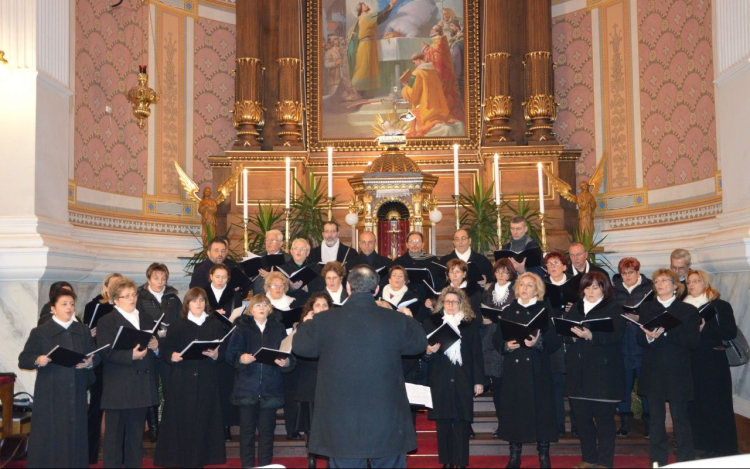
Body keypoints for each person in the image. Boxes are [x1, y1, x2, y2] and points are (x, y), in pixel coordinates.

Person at [293, 265, 428, 468]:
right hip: (387, 420)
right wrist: (410, 319)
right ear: (376, 290)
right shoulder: (396, 320)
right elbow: (420, 344)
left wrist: (307, 324)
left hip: (341, 421)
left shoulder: (323, 320)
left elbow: (301, 347)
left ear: (348, 287)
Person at [19, 288, 98, 468]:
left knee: (75, 435)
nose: (69, 307)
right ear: (53, 308)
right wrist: (37, 360)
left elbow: (95, 356)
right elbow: (24, 359)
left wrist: (89, 363)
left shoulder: (82, 330)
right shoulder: (40, 332)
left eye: (71, 304)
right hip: (51, 393)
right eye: (64, 304)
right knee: (53, 436)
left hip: (76, 391)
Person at [493, 272, 561, 469]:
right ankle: (515, 455)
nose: (524, 288)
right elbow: (497, 339)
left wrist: (538, 342)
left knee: (542, 411)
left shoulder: (545, 310)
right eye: (522, 284)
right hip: (514, 370)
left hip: (538, 368)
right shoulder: (508, 310)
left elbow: (555, 342)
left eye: (530, 285)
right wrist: (506, 346)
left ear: (537, 290)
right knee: (515, 410)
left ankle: (544, 454)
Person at [154, 287, 227, 468]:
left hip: (206, 379)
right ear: (187, 304)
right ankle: (182, 460)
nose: (199, 304)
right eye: (195, 301)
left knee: (204, 420)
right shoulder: (178, 324)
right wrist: (172, 355)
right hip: (182, 380)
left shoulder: (214, 324)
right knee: (182, 422)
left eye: (202, 301)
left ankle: (201, 459)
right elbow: (167, 350)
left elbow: (222, 351)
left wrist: (216, 355)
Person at [637, 269, 700, 467]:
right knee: (656, 421)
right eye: (656, 281)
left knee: (680, 420)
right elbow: (640, 338)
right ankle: (658, 462)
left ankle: (686, 461)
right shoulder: (647, 308)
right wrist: (648, 336)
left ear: (675, 285)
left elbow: (693, 341)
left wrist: (666, 332)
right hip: (653, 371)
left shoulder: (688, 310)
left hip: (678, 371)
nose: (660, 283)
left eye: (664, 280)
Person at [562, 272, 626, 469]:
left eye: (595, 287)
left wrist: (592, 335)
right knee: (583, 420)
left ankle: (605, 462)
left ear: (604, 289)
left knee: (605, 421)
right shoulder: (576, 307)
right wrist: (571, 336)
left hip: (603, 372)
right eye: (588, 287)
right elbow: (565, 333)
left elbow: (617, 336)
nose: (590, 291)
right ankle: (589, 458)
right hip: (579, 371)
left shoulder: (614, 308)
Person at [97, 277, 160, 468]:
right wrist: (130, 355)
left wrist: (156, 347)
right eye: (126, 296)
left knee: (135, 439)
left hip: (141, 387)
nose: (132, 299)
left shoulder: (146, 318)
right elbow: (105, 352)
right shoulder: (107, 321)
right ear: (115, 300)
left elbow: (154, 350)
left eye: (133, 294)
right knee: (114, 440)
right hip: (118, 387)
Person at [226, 294, 291, 468]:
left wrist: (286, 362)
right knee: (246, 432)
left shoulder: (278, 328)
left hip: (271, 388)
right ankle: (247, 466)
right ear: (251, 309)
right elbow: (230, 354)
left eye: (264, 305)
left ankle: (265, 466)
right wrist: (241, 358)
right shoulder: (241, 328)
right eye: (257, 305)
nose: (261, 308)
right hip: (247, 388)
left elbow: (287, 352)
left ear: (269, 308)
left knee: (267, 433)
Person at [423, 287, 485, 469]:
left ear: (461, 304)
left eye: (454, 302)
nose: (450, 305)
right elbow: (423, 354)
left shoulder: (469, 324)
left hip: (463, 378)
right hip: (440, 378)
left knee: (461, 422)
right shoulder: (431, 323)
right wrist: (429, 351)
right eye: (447, 301)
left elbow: (476, 353)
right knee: (443, 423)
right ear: (442, 303)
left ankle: (461, 462)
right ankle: (447, 462)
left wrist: (479, 380)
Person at [684, 270, 739, 458]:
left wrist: (703, 329)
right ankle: (699, 442)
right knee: (695, 403)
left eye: (696, 281)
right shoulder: (683, 306)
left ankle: (720, 446)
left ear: (705, 283)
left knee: (715, 403)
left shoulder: (719, 305)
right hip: (690, 360)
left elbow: (729, 332)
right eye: (689, 281)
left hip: (713, 361)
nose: (691, 285)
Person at [284, 292, 333, 469]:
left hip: (329, 383)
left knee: (329, 425)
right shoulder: (304, 327)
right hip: (308, 382)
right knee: (310, 425)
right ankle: (311, 458)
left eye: (324, 305)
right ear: (311, 309)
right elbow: (301, 353)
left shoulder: (334, 326)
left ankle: (329, 459)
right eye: (317, 305)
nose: (321, 309)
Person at [136, 262, 182, 443]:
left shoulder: (172, 298)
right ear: (148, 278)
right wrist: (154, 335)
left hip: (168, 347)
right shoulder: (140, 298)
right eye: (156, 277)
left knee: (172, 387)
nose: (160, 281)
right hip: (148, 348)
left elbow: (180, 320)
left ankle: (171, 426)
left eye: (163, 278)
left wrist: (169, 332)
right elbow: (137, 321)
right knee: (151, 389)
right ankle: (153, 428)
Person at [611, 257, 653, 439]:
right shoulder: (613, 292)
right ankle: (625, 423)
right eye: (624, 273)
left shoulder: (649, 289)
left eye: (631, 272)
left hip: (642, 344)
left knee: (646, 387)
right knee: (623, 387)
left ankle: (650, 424)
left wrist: (640, 318)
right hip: (622, 345)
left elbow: (656, 314)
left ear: (638, 272)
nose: (627, 276)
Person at [83, 273, 122, 464]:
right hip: (100, 361)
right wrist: (90, 333)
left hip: (118, 362)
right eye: (113, 285)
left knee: (120, 409)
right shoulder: (94, 306)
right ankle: (90, 453)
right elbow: (86, 333)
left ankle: (119, 454)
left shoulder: (125, 308)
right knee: (96, 408)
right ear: (105, 287)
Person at [543, 251, 580, 437]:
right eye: (549, 264)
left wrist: (575, 308)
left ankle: (577, 425)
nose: (553, 267)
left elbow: (587, 308)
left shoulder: (577, 284)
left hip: (573, 341)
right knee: (556, 386)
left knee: (574, 385)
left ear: (565, 266)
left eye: (556, 263)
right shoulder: (543, 286)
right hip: (554, 341)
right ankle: (558, 425)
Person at [204, 263, 242, 441]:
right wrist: (213, 315)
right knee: (209, 386)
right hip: (207, 339)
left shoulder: (235, 294)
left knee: (226, 386)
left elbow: (239, 317)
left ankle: (226, 426)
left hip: (228, 341)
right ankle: (210, 426)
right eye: (217, 276)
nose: (220, 280)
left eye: (224, 277)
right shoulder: (202, 293)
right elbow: (193, 313)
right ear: (211, 276)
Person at [263, 271, 301, 440]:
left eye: (281, 285)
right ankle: (266, 431)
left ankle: (292, 429)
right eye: (274, 285)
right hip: (269, 349)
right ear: (268, 287)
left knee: (291, 392)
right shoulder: (261, 304)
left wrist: (296, 326)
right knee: (270, 392)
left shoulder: (293, 303)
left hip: (288, 349)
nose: (277, 288)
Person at [481, 259, 517, 438]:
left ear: (511, 273)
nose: (501, 275)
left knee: (511, 386)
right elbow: (482, 310)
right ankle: (502, 424)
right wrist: (484, 319)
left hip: (509, 338)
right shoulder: (488, 289)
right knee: (498, 386)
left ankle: (513, 424)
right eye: (498, 271)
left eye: (505, 271)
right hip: (491, 340)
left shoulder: (517, 289)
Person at [346, 0, 400, 95]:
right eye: (364, 4)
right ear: (361, 8)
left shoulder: (368, 17)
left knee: (369, 67)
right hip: (366, 45)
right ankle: (358, 90)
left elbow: (381, 17)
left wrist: (391, 6)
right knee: (364, 67)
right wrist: (391, 4)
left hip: (370, 44)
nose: (366, 5)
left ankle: (365, 92)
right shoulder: (366, 17)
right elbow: (380, 15)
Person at [401, 52, 455, 137]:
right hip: (438, 111)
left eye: (414, 62)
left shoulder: (415, 74)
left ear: (418, 60)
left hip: (425, 113)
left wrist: (405, 87)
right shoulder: (434, 72)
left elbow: (411, 95)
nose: (414, 65)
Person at [420, 25, 463, 120]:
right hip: (445, 73)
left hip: (442, 75)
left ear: (436, 31)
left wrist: (424, 48)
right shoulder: (441, 40)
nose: (430, 30)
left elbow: (435, 57)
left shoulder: (438, 40)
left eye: (432, 29)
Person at [427, 259, 483, 324]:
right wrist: (431, 306)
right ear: (448, 275)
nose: (454, 275)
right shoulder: (442, 292)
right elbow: (437, 315)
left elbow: (477, 318)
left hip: (466, 327)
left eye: (458, 272)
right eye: (451, 272)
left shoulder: (474, 292)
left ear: (464, 274)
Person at [280, 238, 324, 305]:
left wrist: (308, 288)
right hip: (289, 305)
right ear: (291, 251)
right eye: (296, 248)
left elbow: (321, 287)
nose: (299, 251)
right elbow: (279, 290)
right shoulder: (283, 268)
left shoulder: (315, 268)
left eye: (302, 249)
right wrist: (291, 288)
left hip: (310, 304)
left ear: (308, 253)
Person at [252, 229, 293, 294]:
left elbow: (291, 284)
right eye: (267, 240)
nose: (269, 242)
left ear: (280, 244)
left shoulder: (288, 259)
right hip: (259, 298)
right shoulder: (257, 258)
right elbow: (251, 280)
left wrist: (271, 277)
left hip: (279, 298)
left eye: (273, 240)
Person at [448, 19, 464, 92]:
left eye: (451, 26)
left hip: (461, 75)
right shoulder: (454, 40)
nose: (450, 28)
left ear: (457, 27)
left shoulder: (461, 41)